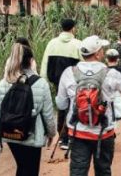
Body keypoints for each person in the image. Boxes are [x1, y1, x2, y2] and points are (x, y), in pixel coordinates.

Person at [56, 35, 121, 176]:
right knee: (103, 171)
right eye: (102, 48)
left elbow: (61, 103)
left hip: (78, 132)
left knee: (77, 172)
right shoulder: (110, 74)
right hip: (103, 133)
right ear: (97, 54)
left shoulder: (69, 73)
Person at [0, 43, 56, 176]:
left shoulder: (4, 83)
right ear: (31, 61)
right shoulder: (41, 84)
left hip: (11, 134)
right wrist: (52, 134)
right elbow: (48, 115)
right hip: (31, 134)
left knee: (22, 166)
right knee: (31, 170)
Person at [40, 18, 81, 149]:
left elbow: (45, 63)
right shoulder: (78, 44)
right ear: (73, 28)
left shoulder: (52, 43)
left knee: (61, 107)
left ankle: (62, 137)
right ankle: (68, 137)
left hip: (57, 82)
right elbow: (83, 64)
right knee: (73, 107)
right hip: (74, 83)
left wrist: (44, 80)